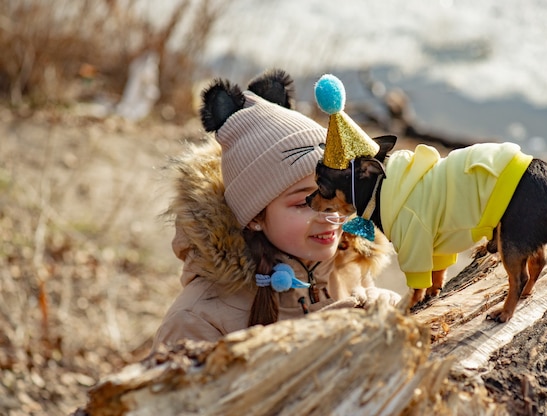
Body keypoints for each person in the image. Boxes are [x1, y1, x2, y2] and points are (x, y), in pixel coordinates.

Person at [151, 69, 400, 350]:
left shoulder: (347, 262)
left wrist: (388, 308)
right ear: (255, 216)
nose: (332, 216)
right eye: (305, 202)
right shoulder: (197, 320)